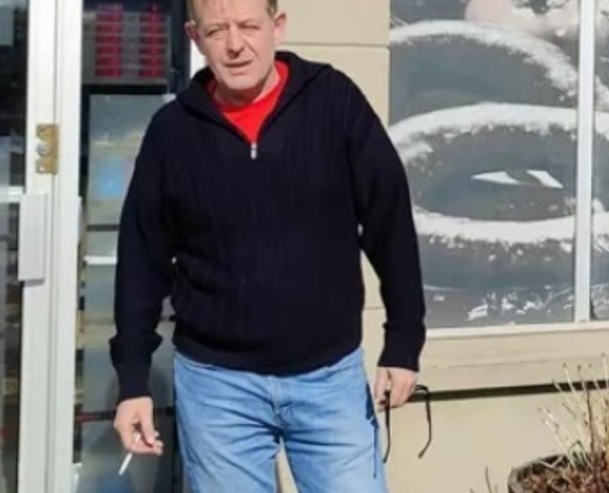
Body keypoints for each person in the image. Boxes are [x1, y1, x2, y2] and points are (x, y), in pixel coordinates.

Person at [108, 0, 427, 491]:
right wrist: (133, 380)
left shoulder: (333, 102)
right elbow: (140, 260)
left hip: (329, 378)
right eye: (218, 31)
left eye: (248, 26)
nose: (235, 45)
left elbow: (391, 222)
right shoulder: (172, 133)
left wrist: (403, 343)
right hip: (218, 388)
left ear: (277, 26)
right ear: (194, 37)